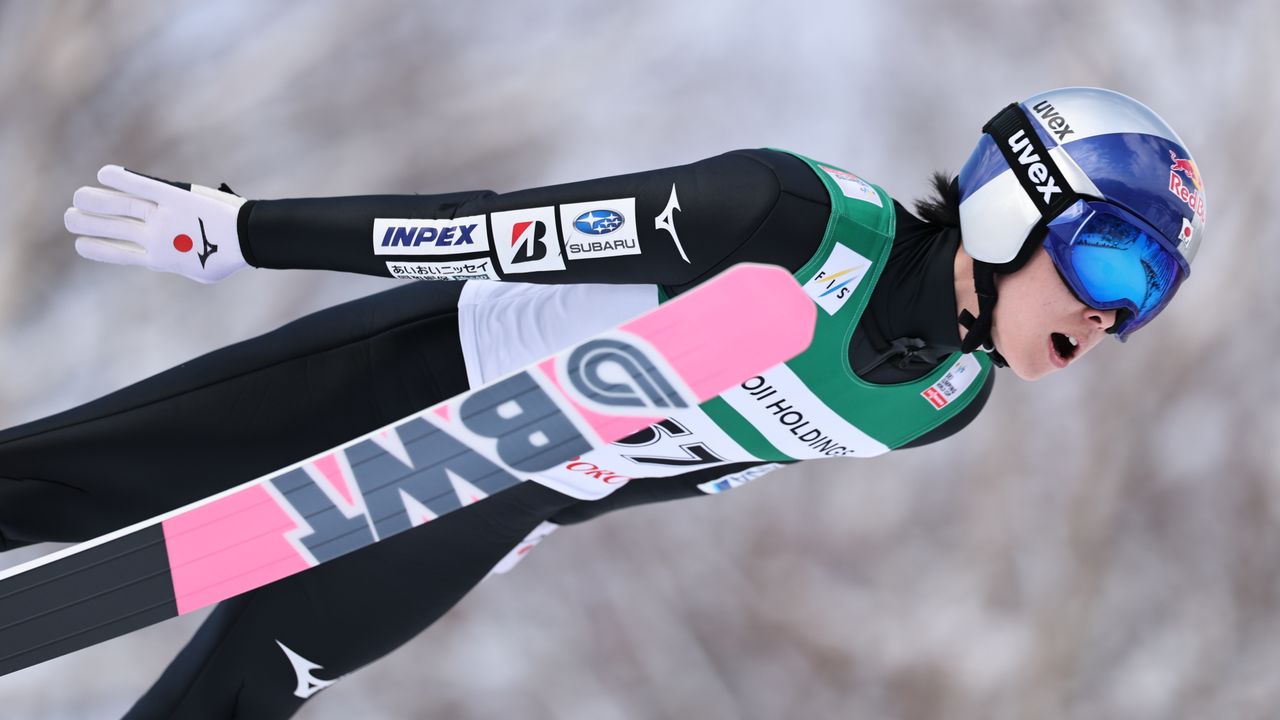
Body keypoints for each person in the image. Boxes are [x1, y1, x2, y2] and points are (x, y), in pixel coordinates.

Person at [1, 86, 1204, 718]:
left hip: (484, 504)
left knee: (242, 697)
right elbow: (492, 230)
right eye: (1109, 263)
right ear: (1011, 202)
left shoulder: (937, 403)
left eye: (1144, 297)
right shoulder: (790, 219)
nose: (1109, 316)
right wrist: (242, 232)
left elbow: (687, 469)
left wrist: (543, 510)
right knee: (53, 483)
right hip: (427, 376)